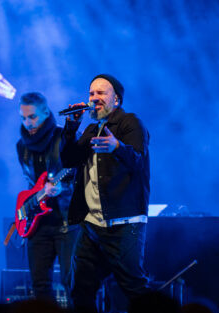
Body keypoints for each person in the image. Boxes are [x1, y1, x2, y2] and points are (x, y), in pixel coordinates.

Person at [60, 74, 152, 312]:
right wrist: (71, 127)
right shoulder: (92, 128)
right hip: (92, 225)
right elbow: (69, 159)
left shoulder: (130, 123)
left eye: (101, 93)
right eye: (91, 93)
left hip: (124, 222)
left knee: (134, 288)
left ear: (117, 99)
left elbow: (139, 161)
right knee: (80, 288)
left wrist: (117, 147)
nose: (94, 98)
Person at [16, 92, 78, 303]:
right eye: (23, 118)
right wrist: (29, 204)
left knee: (74, 285)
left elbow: (80, 175)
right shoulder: (21, 146)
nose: (27, 123)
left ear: (46, 112)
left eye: (32, 117)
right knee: (40, 287)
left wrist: (63, 189)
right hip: (37, 223)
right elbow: (30, 182)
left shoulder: (64, 138)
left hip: (66, 222)